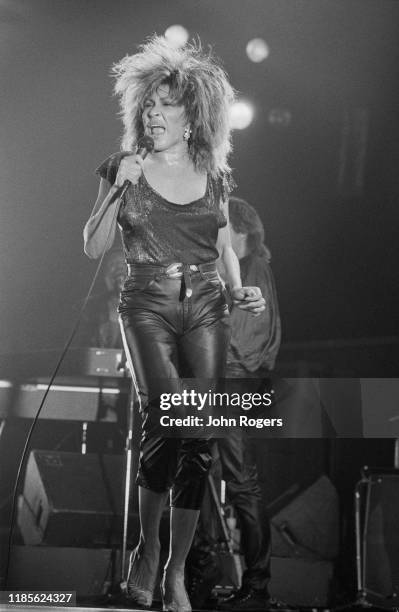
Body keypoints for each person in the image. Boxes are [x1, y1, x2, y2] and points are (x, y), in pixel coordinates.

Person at [83, 36, 266, 612]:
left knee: (201, 439)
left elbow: (222, 245)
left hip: (207, 304)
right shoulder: (122, 168)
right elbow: (92, 248)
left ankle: (176, 571)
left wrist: (240, 288)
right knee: (165, 421)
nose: (153, 114)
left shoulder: (215, 176)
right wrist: (120, 184)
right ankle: (145, 548)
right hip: (147, 303)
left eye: (166, 106)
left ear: (194, 118)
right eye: (148, 106)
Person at [188, 197, 281, 611]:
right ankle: (203, 575)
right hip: (227, 384)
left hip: (231, 386)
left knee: (241, 483)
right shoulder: (247, 272)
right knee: (200, 474)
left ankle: (256, 584)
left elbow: (242, 344)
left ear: (237, 230)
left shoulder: (252, 273)